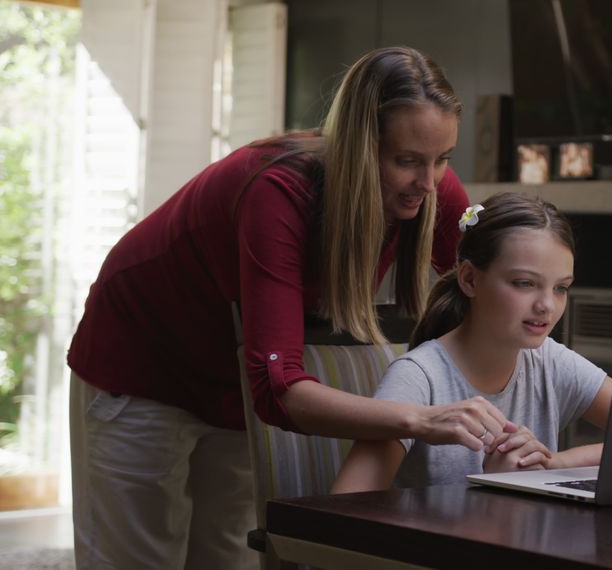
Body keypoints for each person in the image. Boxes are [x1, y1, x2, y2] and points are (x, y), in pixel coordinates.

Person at [67, 46, 518, 570]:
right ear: (359, 147)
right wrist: (418, 418)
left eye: (443, 159)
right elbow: (278, 389)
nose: (431, 181)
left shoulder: (428, 182)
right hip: (142, 363)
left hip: (229, 376)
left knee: (226, 558)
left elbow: (492, 259)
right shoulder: (278, 191)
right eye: (407, 161)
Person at [331, 192, 612, 493]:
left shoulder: (551, 361)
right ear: (469, 279)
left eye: (561, 288)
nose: (547, 305)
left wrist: (552, 463)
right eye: (524, 283)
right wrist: (493, 488)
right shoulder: (418, 378)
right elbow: (344, 508)